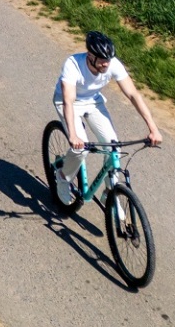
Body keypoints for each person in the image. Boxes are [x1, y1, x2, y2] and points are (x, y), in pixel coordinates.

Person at [53, 31, 162, 203]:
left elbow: (133, 95)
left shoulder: (112, 64)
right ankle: (62, 176)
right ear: (90, 55)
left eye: (108, 59)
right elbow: (68, 100)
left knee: (114, 149)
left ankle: (110, 193)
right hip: (69, 103)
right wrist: (73, 135)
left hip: (93, 102)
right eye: (102, 60)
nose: (106, 64)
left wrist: (153, 129)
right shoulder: (73, 65)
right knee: (80, 149)